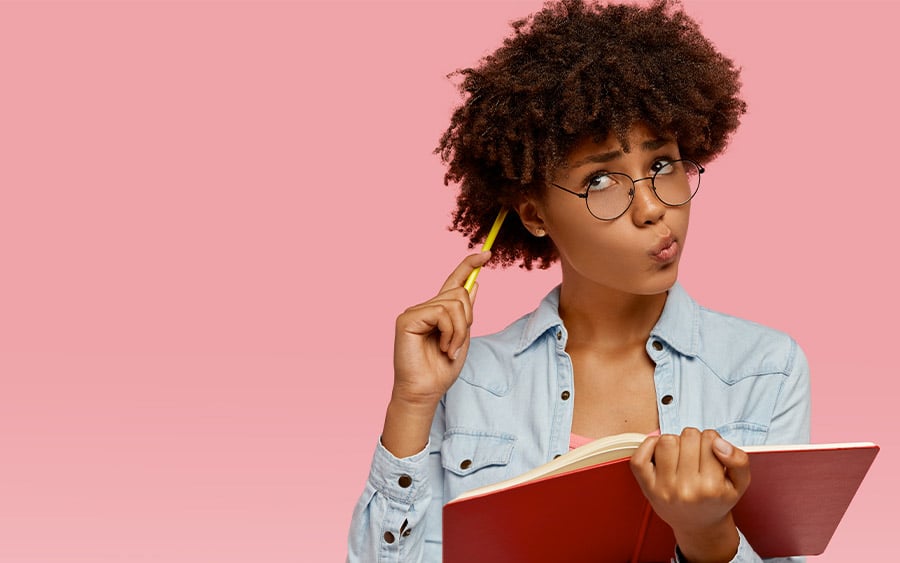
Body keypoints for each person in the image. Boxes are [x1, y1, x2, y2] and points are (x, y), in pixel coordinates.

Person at [347, 0, 810, 561]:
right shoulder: (464, 383)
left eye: (662, 165)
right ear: (534, 214)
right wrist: (412, 404)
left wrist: (707, 534)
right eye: (602, 182)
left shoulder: (765, 369)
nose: (651, 209)